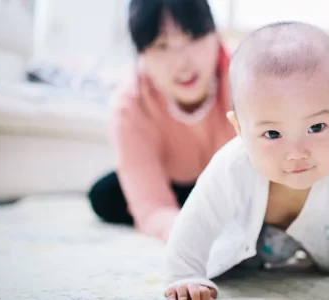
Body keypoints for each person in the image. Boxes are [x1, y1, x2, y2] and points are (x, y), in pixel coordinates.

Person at [163, 22, 329, 300]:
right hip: (251, 258)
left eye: (316, 128)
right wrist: (184, 273)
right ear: (240, 130)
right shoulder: (231, 167)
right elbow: (196, 219)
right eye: (272, 133)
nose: (297, 152)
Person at [88, 0, 235, 241]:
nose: (182, 62)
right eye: (161, 45)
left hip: (233, 184)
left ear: (216, 35)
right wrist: (188, 235)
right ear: (142, 54)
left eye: (193, 38)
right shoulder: (130, 104)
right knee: (105, 195)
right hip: (174, 183)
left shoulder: (247, 76)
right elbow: (152, 206)